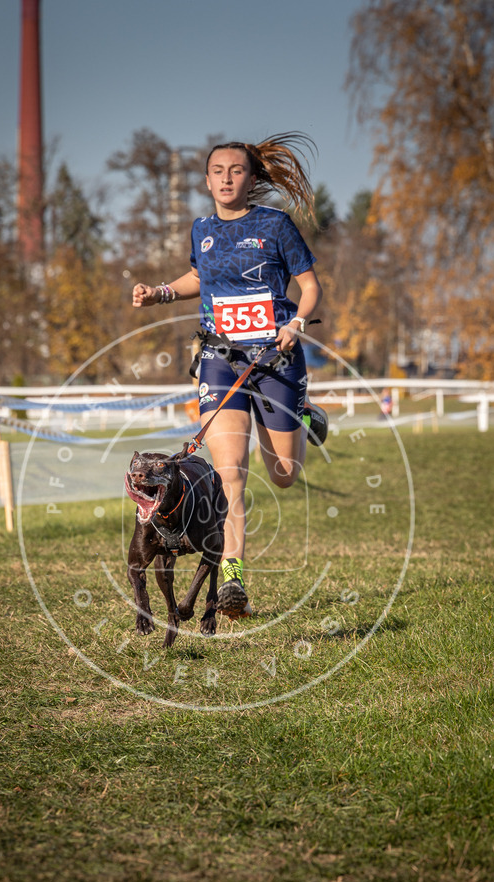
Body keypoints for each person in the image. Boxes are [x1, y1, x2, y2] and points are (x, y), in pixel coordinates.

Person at [132, 133, 327, 619]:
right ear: (206, 180)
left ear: (252, 177)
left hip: (275, 359)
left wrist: (296, 322)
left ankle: (304, 417)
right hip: (221, 361)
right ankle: (235, 576)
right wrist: (160, 292)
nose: (226, 178)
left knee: (283, 475)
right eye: (217, 171)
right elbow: (199, 278)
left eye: (236, 170)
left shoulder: (276, 225)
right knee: (229, 473)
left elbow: (309, 285)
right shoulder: (202, 229)